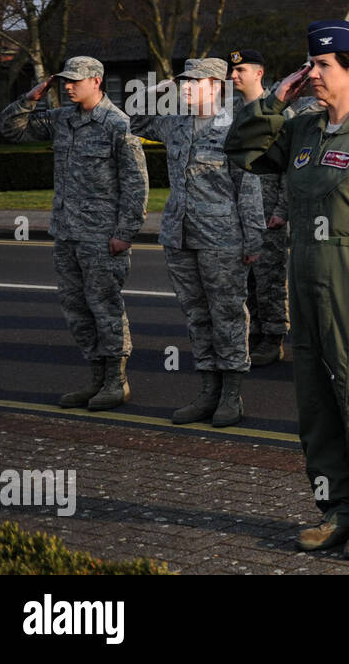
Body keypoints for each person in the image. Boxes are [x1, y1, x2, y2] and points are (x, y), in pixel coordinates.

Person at [225, 19, 349, 560]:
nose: (312, 73)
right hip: (307, 276)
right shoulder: (303, 129)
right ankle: (333, 507)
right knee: (316, 403)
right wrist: (271, 100)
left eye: (322, 65)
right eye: (311, 64)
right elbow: (244, 152)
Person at [0, 56, 149, 410]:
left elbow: (136, 185)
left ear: (96, 81)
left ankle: (117, 381)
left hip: (102, 236)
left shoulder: (118, 124)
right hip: (67, 232)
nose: (68, 87)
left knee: (105, 306)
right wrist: (32, 96)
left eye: (75, 81)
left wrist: (125, 232)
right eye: (65, 81)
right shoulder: (63, 119)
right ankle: (96, 379)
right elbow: (12, 129)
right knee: (75, 307)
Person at [131, 58, 264, 428]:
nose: (186, 88)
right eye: (184, 82)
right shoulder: (175, 123)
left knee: (228, 315)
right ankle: (207, 390)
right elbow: (134, 118)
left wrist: (254, 239)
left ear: (216, 86)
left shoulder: (236, 127)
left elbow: (249, 187)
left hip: (223, 238)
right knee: (196, 315)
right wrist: (162, 85)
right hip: (180, 234)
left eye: (195, 83)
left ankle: (231, 395)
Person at [230, 49, 291, 367]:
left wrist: (282, 210)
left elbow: (291, 168)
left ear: (259, 72)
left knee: (270, 277)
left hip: (269, 213)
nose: (235, 75)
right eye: (233, 70)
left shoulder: (279, 111)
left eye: (242, 69)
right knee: (247, 278)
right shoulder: (230, 112)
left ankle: (274, 336)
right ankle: (254, 332)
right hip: (238, 212)